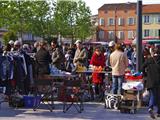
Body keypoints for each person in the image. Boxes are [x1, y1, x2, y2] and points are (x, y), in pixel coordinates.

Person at [142, 48, 160, 119]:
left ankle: (151, 108)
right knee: (158, 96)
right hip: (158, 81)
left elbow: (142, 67)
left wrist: (145, 74)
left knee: (152, 95)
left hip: (150, 80)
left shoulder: (149, 60)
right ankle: (157, 111)